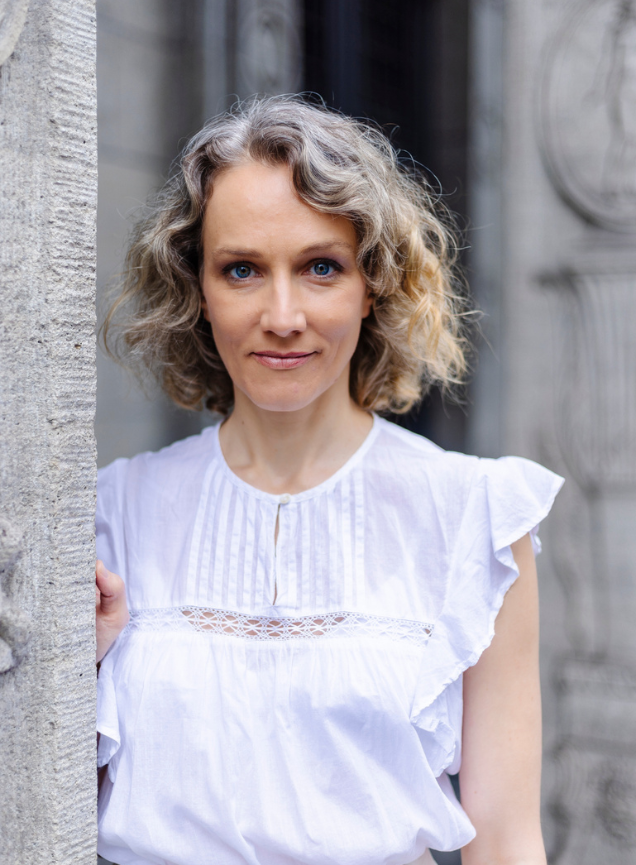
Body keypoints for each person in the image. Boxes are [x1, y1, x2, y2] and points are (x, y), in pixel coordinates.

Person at [95, 95, 563, 865]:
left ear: (372, 282)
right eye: (242, 269)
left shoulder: (474, 519)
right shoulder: (113, 512)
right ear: (198, 289)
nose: (283, 316)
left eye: (321, 267)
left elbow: (507, 843)